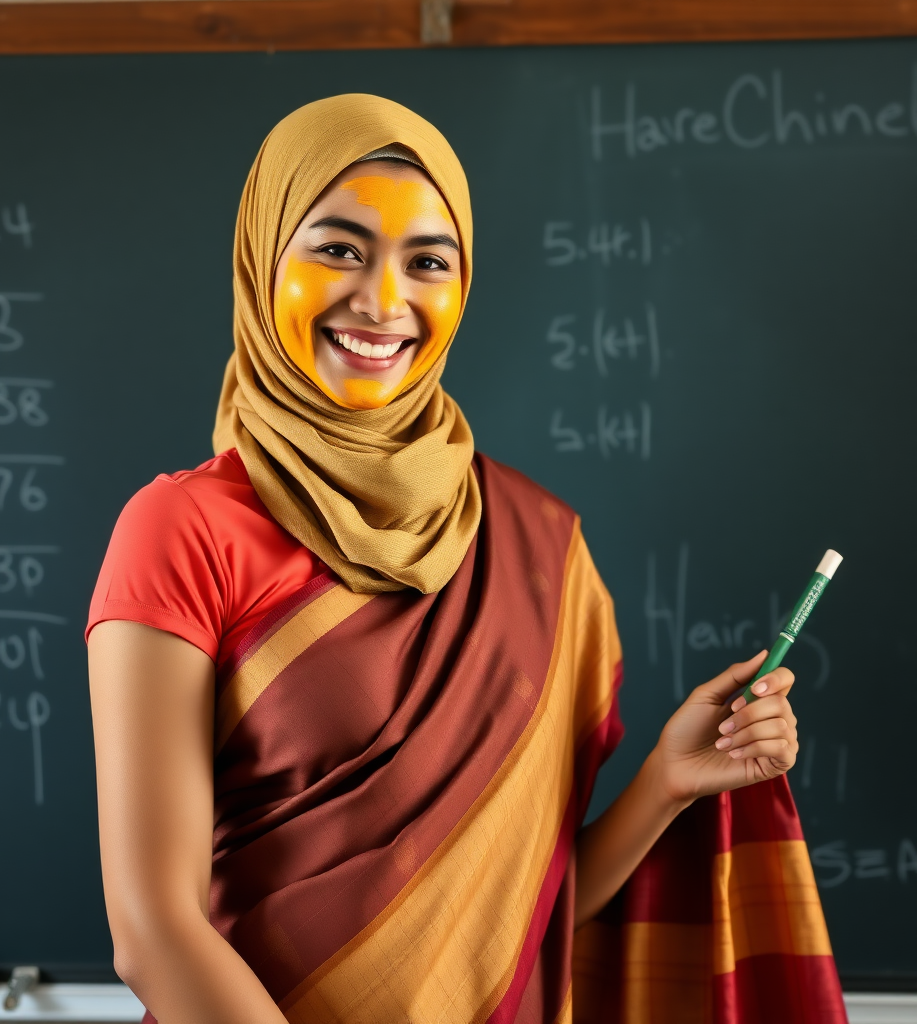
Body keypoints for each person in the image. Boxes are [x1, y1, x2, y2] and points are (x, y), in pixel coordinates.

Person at [86, 94, 845, 1024]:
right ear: (260, 257)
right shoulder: (182, 530)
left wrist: (666, 784)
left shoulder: (540, 544)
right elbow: (152, 930)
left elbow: (533, 905)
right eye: (337, 248)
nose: (383, 299)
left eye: (428, 262)